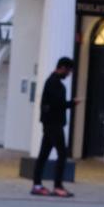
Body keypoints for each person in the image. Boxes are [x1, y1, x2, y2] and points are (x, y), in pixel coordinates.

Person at [30, 56, 77, 198]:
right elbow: (57, 105)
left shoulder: (51, 81)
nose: (68, 75)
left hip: (49, 123)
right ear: (62, 68)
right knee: (62, 154)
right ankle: (57, 186)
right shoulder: (55, 84)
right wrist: (72, 103)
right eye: (68, 71)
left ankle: (37, 184)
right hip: (54, 124)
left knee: (43, 154)